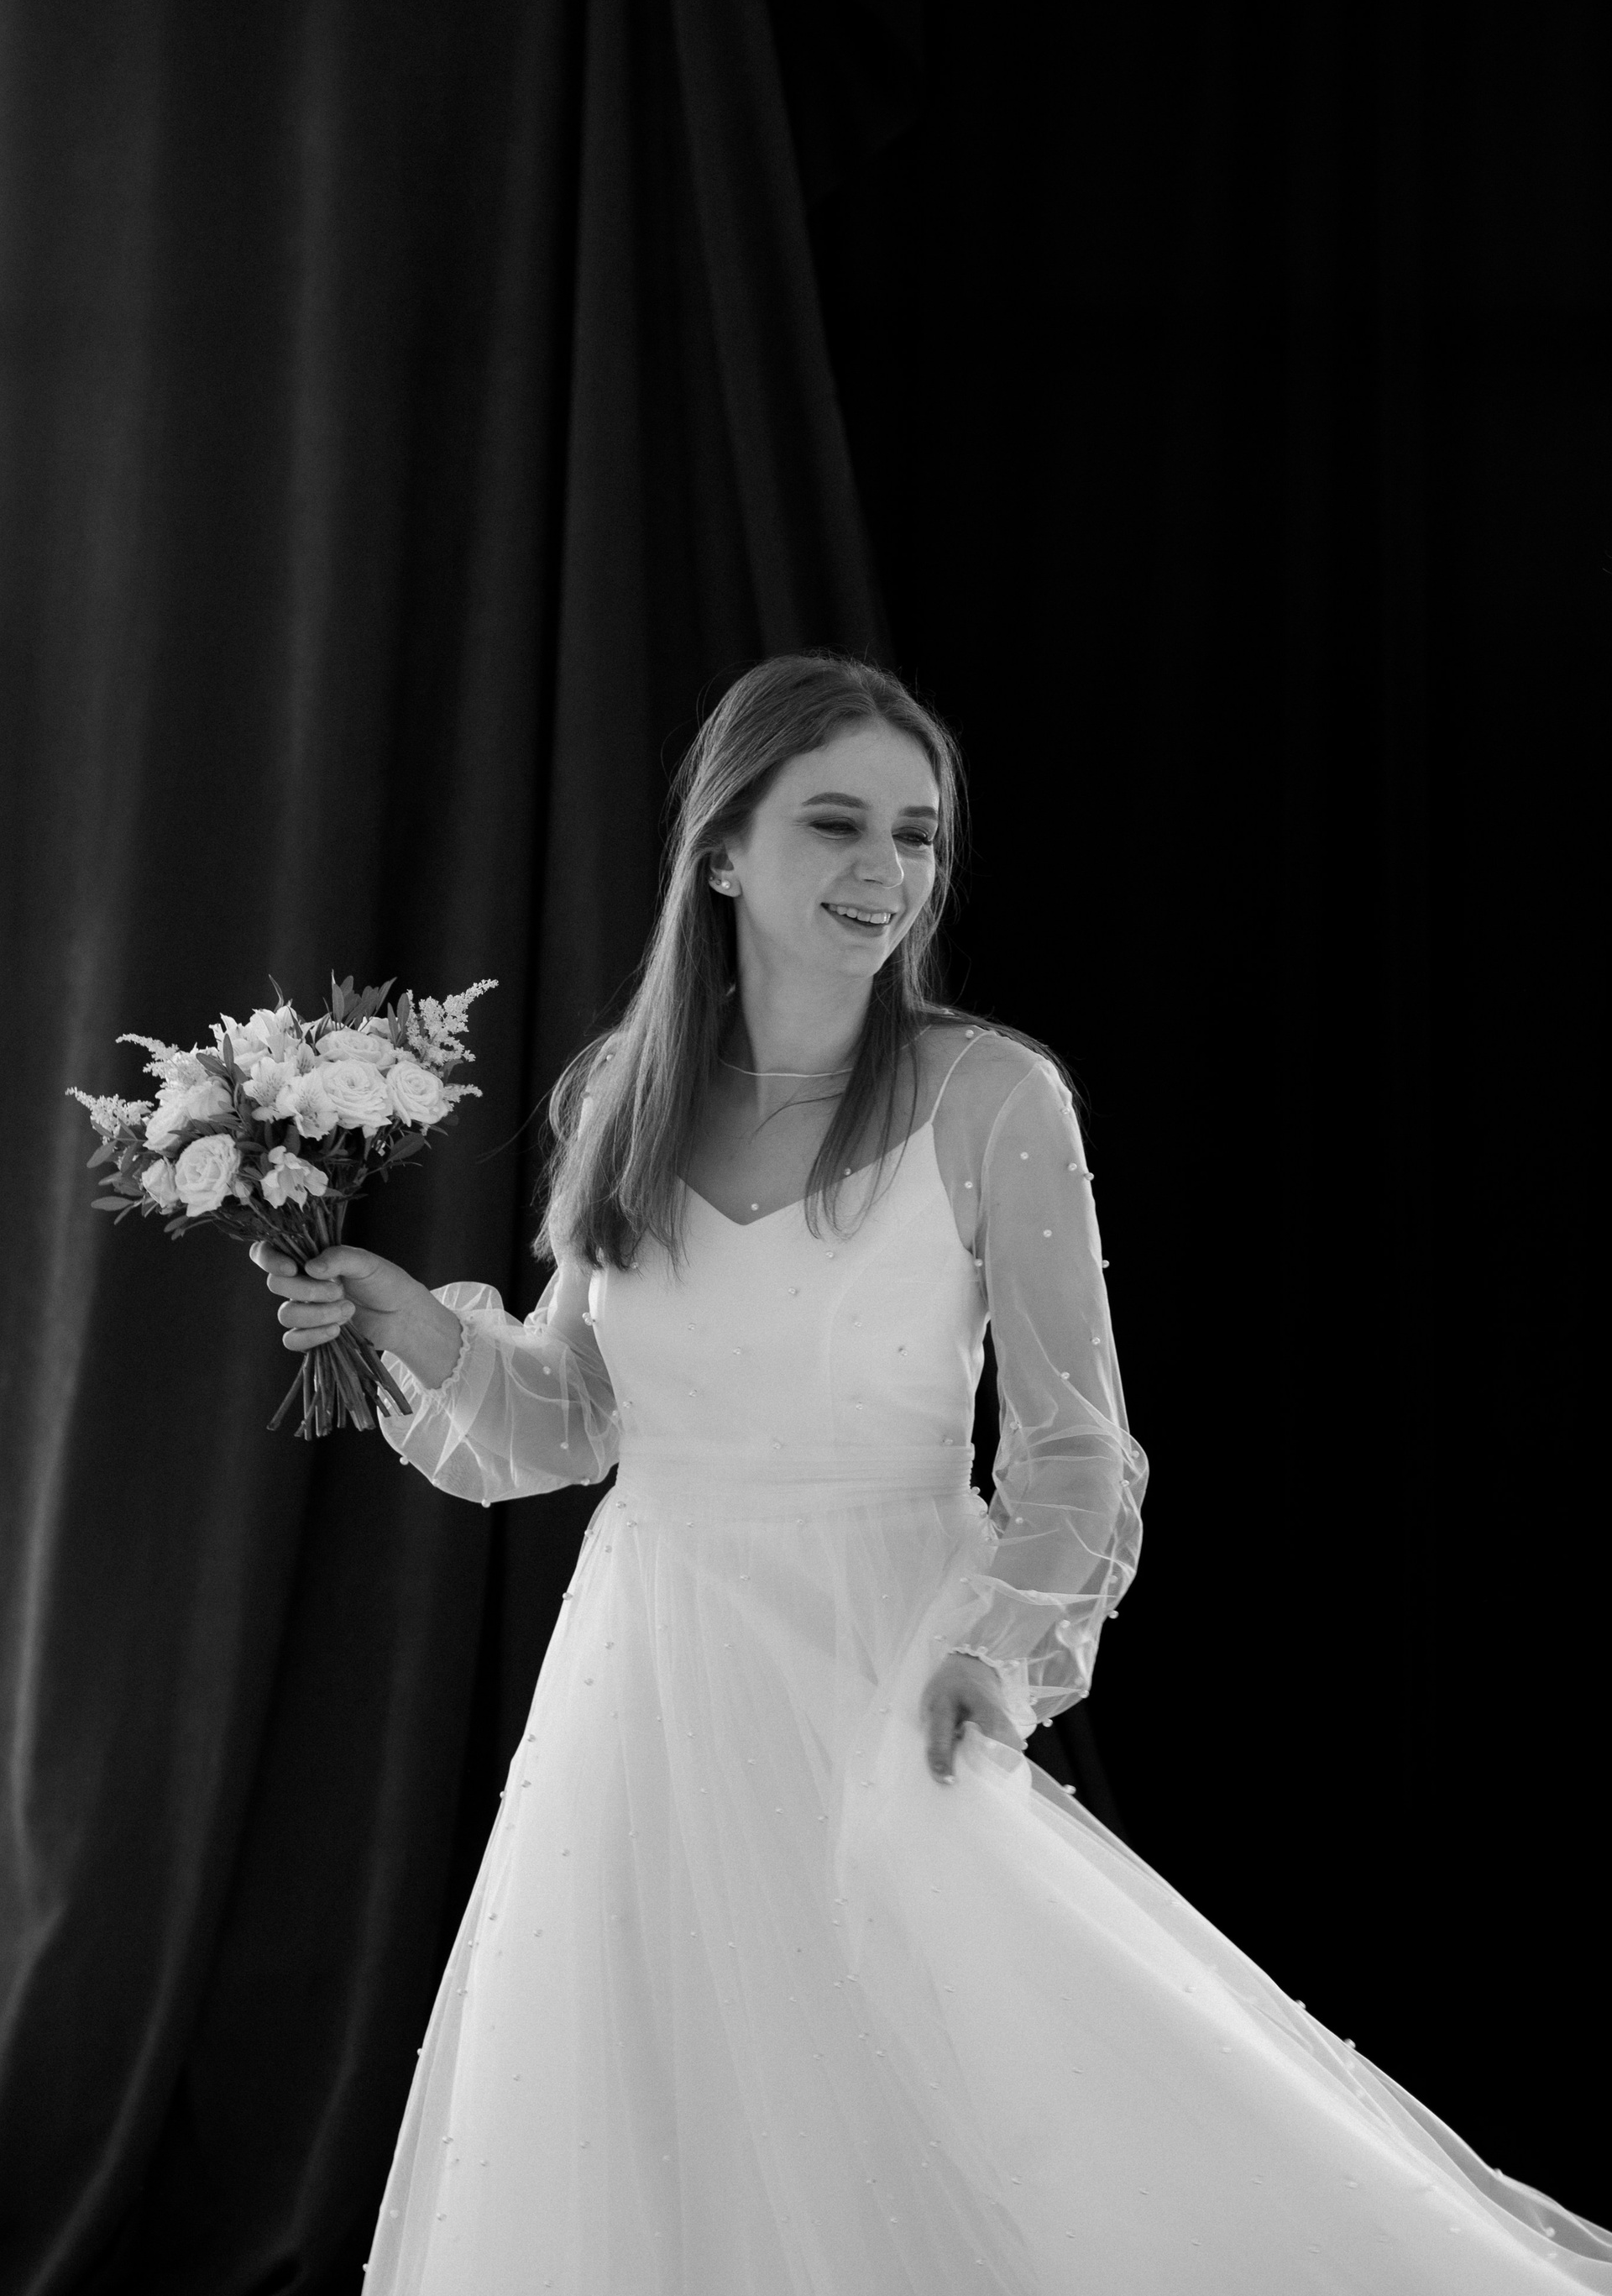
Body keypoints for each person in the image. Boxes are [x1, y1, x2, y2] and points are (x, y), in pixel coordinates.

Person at [255, 655, 1609, 2293]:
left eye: (918, 834)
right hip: (649, 1681)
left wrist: (995, 1651)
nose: (887, 870)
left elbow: (1075, 1446)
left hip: (884, 1661)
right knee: (668, 2124)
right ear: (721, 851)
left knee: (953, 2118)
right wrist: (400, 1315)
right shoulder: (625, 1098)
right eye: (838, 823)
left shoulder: (991, 1096)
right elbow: (570, 1419)